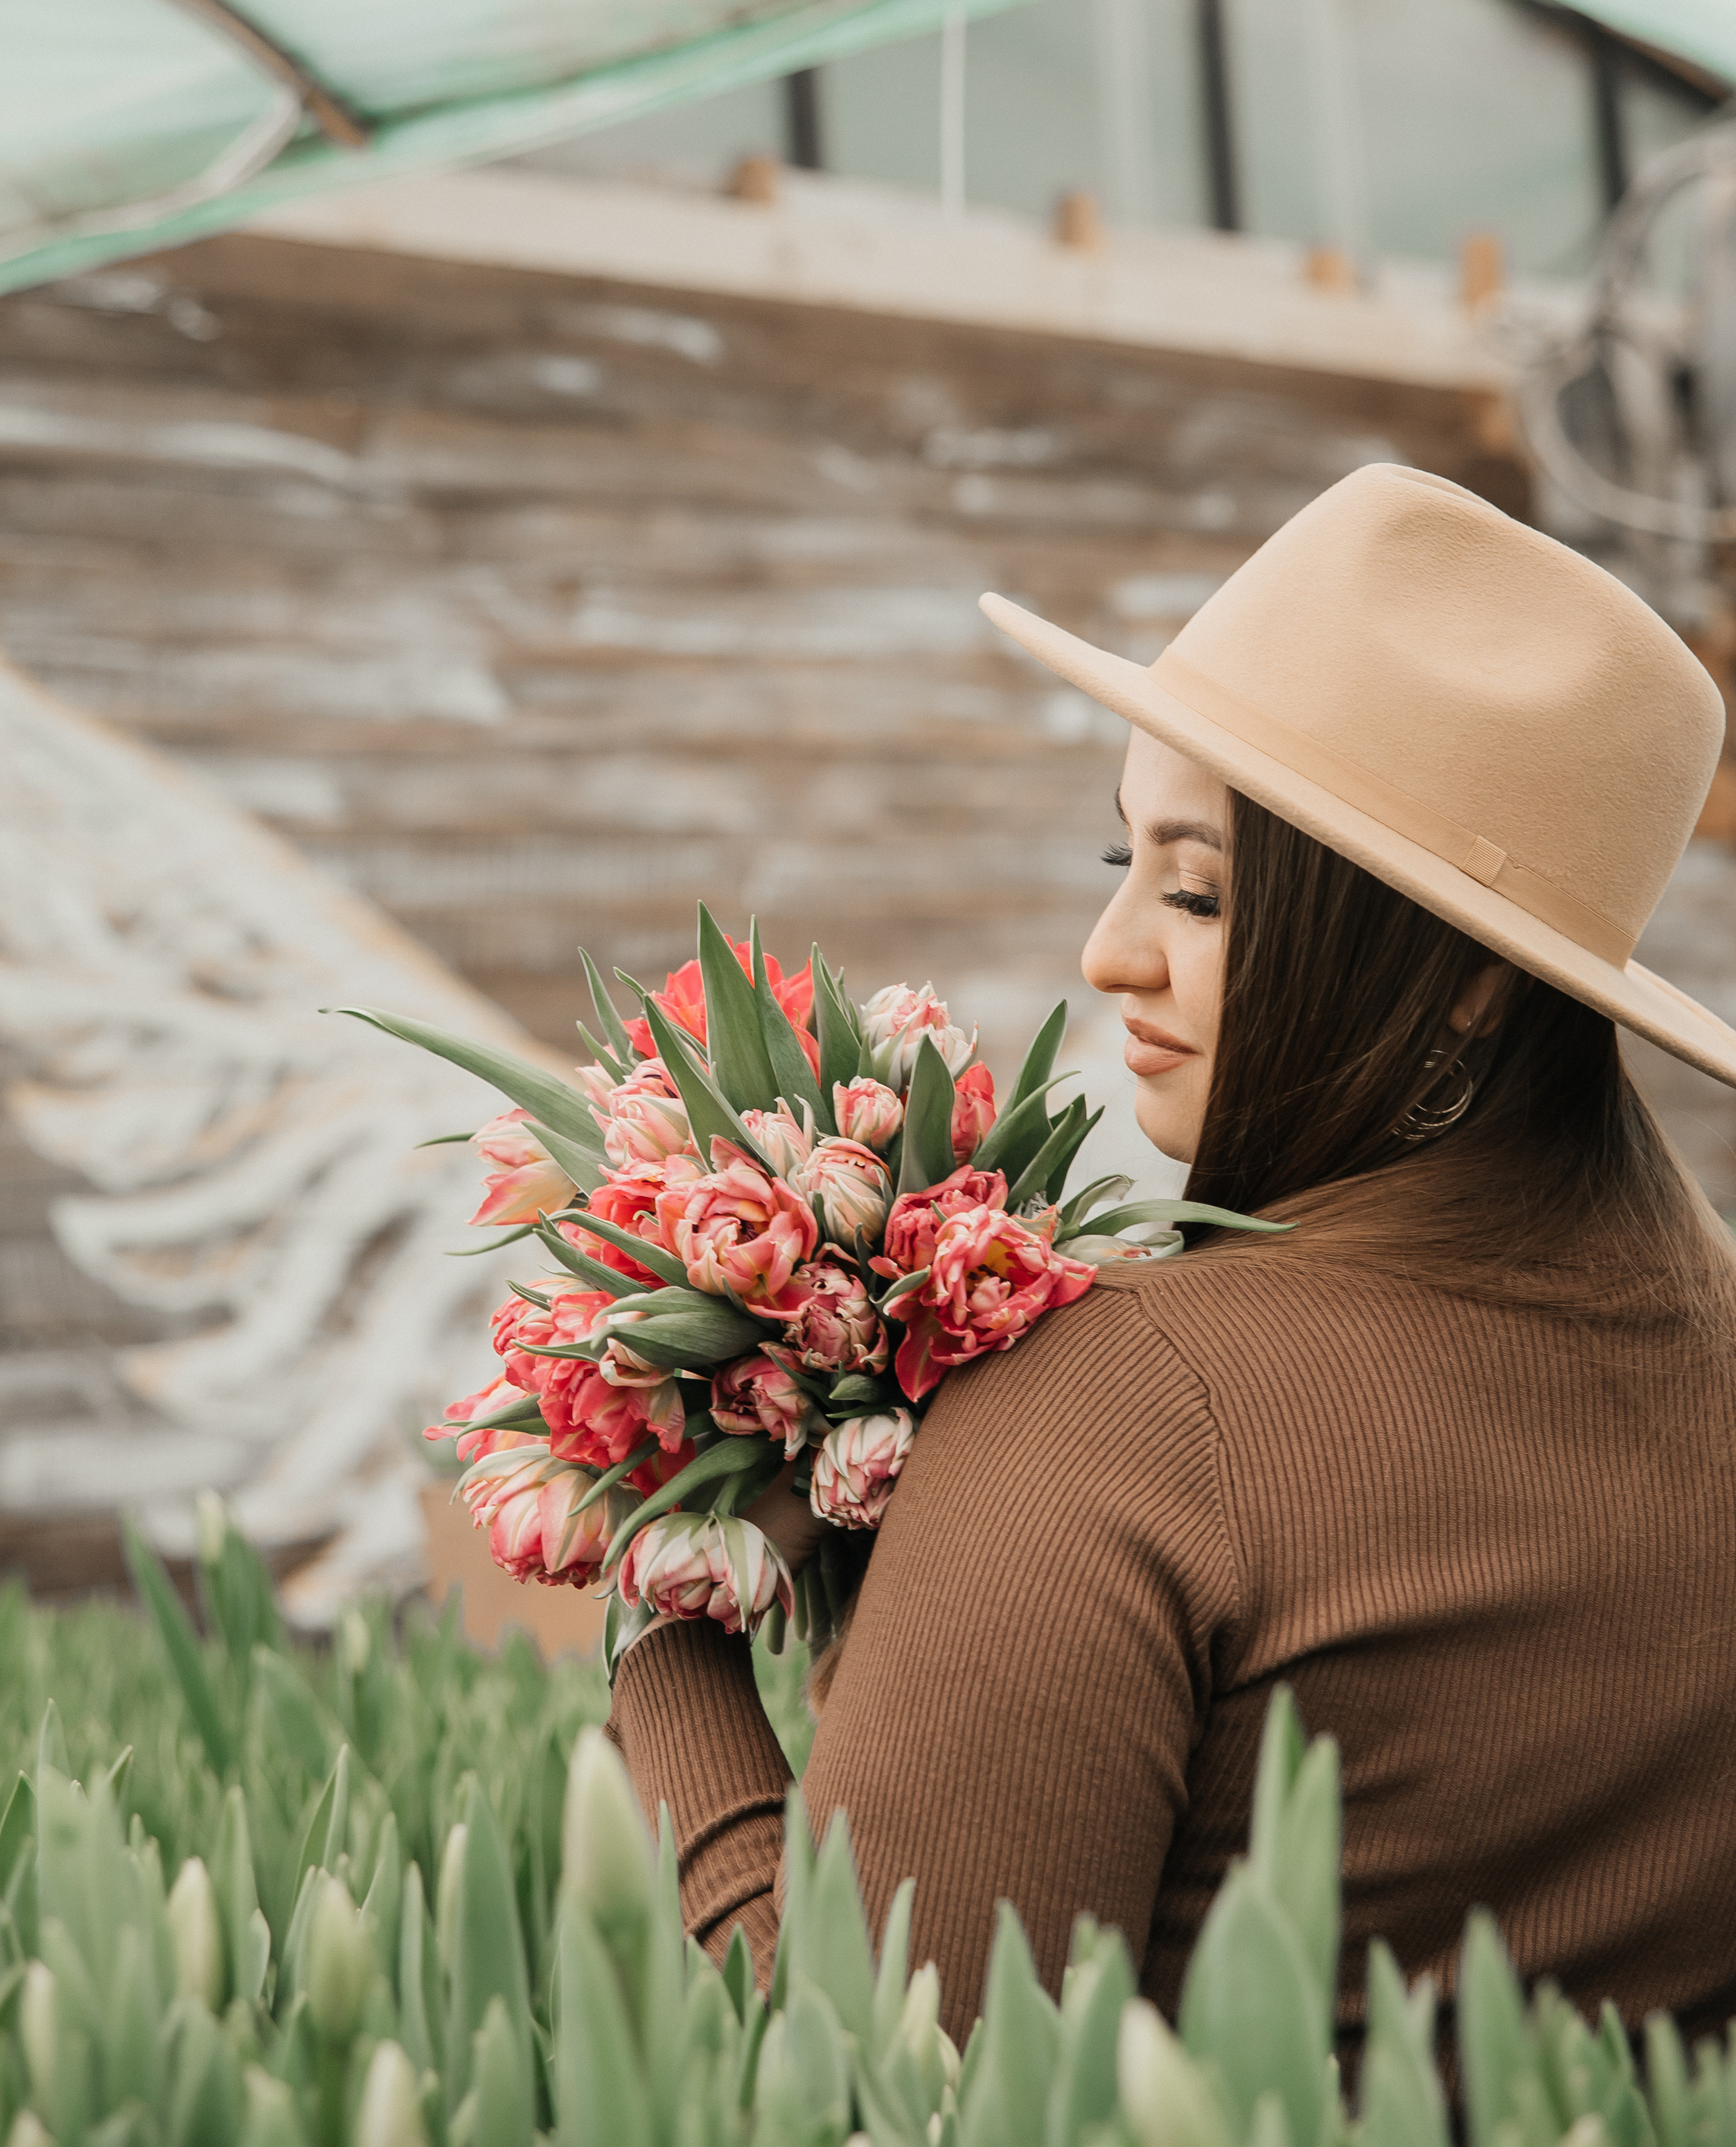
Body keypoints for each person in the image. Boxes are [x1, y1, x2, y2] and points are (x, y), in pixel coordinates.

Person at [605, 463, 1736, 2052]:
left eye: (1196, 892)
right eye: (1120, 861)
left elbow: (879, 2077)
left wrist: (664, 1645)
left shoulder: (1126, 1397)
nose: (1110, 951)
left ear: (1471, 984)